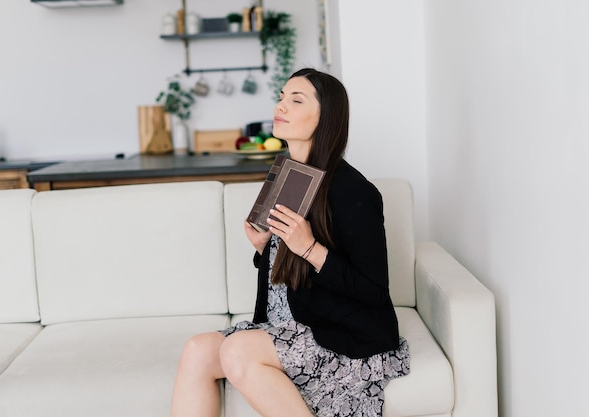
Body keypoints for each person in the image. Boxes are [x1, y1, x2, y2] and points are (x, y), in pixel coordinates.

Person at [170, 68, 410, 417]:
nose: (280, 106)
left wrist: (310, 248)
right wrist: (263, 249)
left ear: (325, 117)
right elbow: (290, 269)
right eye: (281, 97)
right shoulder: (287, 174)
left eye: (295, 100)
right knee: (196, 350)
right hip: (287, 324)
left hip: (342, 337)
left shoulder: (355, 191)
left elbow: (373, 289)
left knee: (237, 350)